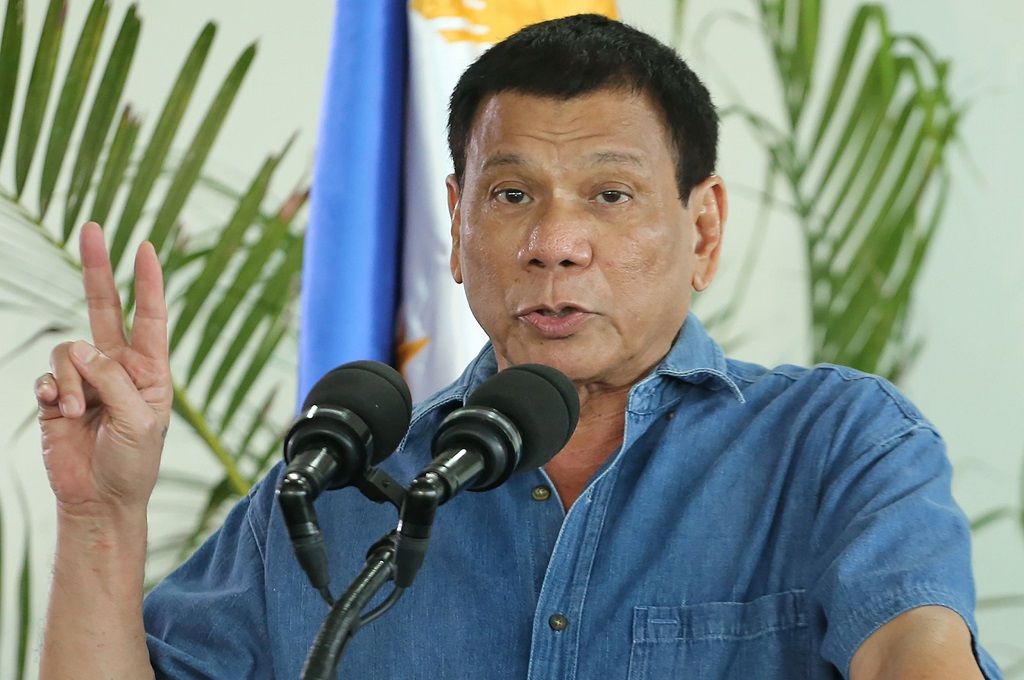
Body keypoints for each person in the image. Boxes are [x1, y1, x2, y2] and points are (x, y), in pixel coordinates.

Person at [36, 13, 1001, 679]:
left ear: (702, 230)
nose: (553, 241)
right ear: (457, 227)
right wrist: (98, 518)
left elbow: (915, 651)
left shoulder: (833, 443)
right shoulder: (334, 489)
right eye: (511, 194)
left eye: (610, 195)